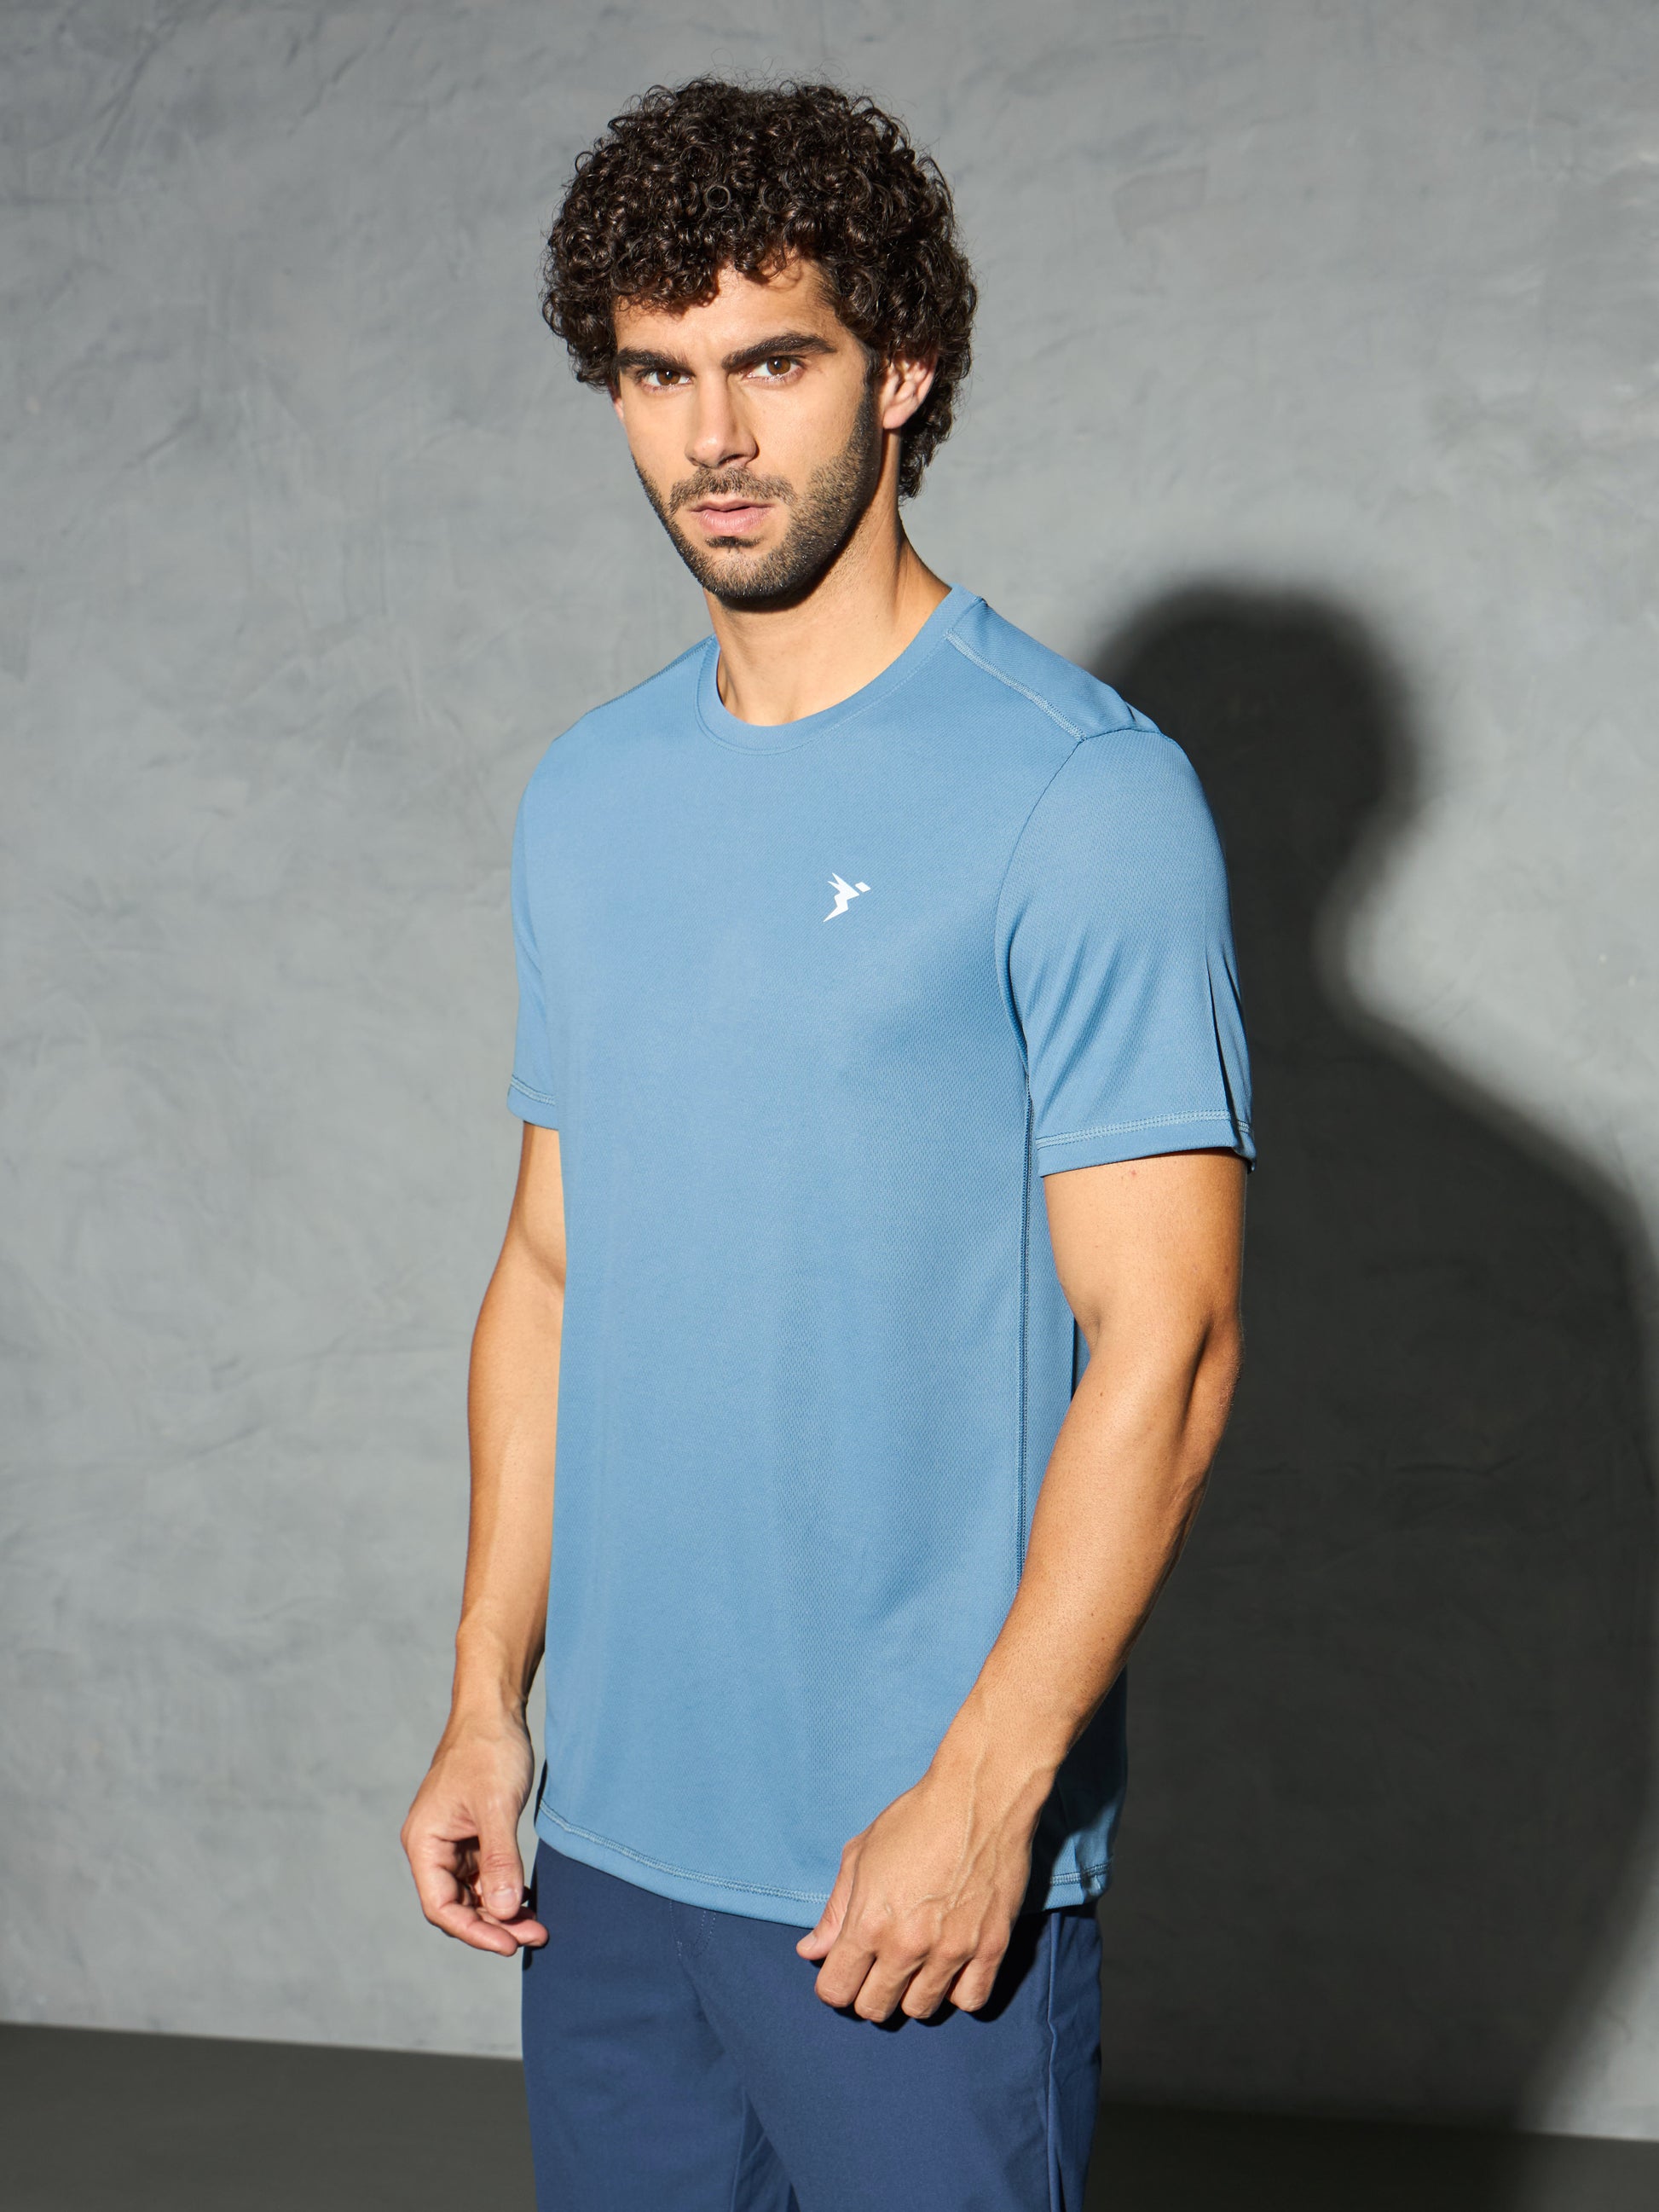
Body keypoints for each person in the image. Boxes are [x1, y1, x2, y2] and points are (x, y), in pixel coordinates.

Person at [401, 75, 1252, 2212]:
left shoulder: (1080, 793)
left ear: (901, 368)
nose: (712, 436)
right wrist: (489, 1699)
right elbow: (553, 1273)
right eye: (655, 373)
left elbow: (1166, 1347)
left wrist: (986, 1792)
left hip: (899, 1857)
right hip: (610, 1852)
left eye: (772, 362)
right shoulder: (589, 795)